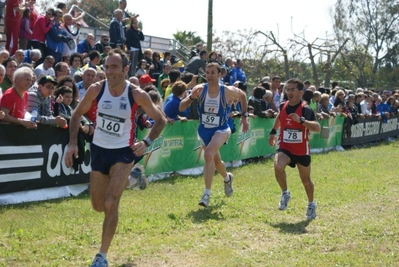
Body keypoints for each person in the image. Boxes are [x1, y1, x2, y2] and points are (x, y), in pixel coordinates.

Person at [64, 48, 166, 267]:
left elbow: (160, 120)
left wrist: (146, 142)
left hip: (123, 152)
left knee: (111, 202)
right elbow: (76, 114)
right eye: (107, 67)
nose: (109, 71)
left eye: (114, 67)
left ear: (125, 69)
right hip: (100, 149)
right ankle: (134, 180)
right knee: (98, 205)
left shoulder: (136, 94)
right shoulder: (96, 90)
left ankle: (101, 256)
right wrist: (72, 143)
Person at [179, 62, 249, 208]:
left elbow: (242, 95)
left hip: (221, 129)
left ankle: (206, 194)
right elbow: (181, 107)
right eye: (207, 72)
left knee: (209, 154)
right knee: (216, 162)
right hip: (204, 130)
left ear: (219, 74)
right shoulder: (199, 89)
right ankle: (227, 178)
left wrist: (244, 116)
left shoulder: (227, 91)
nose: (209, 75)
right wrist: (192, 97)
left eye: (213, 72)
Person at [267, 78, 320, 220]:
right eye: (287, 89)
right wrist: (273, 132)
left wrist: (301, 120)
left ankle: (311, 204)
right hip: (285, 146)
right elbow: (280, 116)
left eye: (292, 90)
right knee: (278, 166)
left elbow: (317, 127)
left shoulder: (305, 109)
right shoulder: (284, 105)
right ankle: (285, 193)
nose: (289, 92)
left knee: (306, 181)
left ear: (300, 92)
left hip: (301, 150)